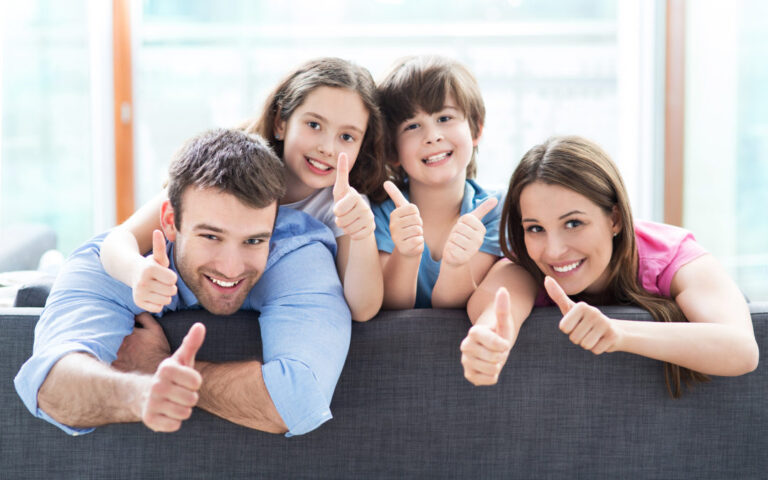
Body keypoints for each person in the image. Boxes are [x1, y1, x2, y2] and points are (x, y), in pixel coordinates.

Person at [15, 128, 351, 435]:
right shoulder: (108, 263)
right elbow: (51, 384)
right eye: (211, 236)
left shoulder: (297, 252)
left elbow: (298, 400)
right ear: (170, 221)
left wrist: (155, 367)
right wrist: (140, 394)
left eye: (253, 241)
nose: (231, 268)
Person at [460, 135, 759, 397]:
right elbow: (496, 311)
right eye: (535, 228)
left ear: (614, 218)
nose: (553, 250)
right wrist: (489, 342)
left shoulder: (671, 254)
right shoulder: (525, 265)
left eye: (573, 223)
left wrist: (617, 332)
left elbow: (742, 349)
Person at [100, 57, 387, 322]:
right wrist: (136, 271)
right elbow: (119, 239)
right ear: (281, 122)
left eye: (347, 136)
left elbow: (363, 308)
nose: (327, 147)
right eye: (314, 124)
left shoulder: (344, 206)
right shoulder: (225, 167)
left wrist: (361, 235)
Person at [373, 55, 502, 309]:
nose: (432, 136)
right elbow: (391, 307)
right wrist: (405, 254)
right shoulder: (379, 213)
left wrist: (456, 264)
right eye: (412, 126)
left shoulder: (495, 210)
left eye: (444, 118)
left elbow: (451, 306)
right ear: (392, 150)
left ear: (475, 129)